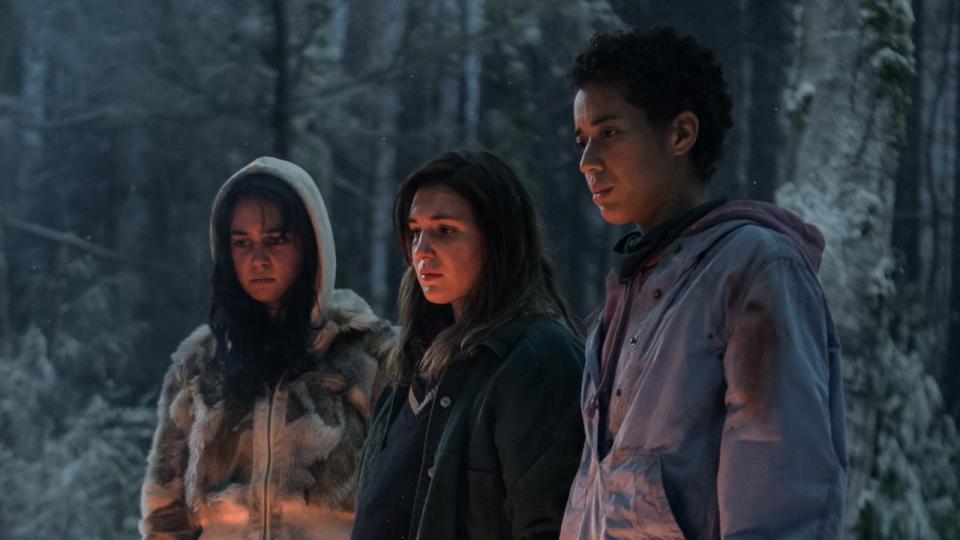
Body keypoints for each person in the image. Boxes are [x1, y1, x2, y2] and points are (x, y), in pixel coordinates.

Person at [559, 27, 847, 539]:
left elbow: (781, 496)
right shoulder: (627, 292)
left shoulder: (754, 267)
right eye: (582, 140)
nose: (587, 162)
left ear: (679, 134)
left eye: (609, 132)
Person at [139, 156, 395, 539]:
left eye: (275, 240)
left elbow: (403, 499)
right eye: (242, 243)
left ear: (310, 245)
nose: (258, 259)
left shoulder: (369, 356)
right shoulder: (201, 363)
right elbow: (164, 512)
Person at [352, 150, 585, 540]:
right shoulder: (411, 364)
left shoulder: (538, 360)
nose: (422, 251)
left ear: (497, 240)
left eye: (445, 230)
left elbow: (549, 525)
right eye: (415, 232)